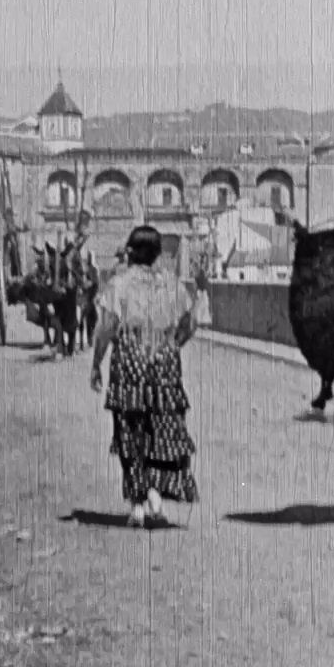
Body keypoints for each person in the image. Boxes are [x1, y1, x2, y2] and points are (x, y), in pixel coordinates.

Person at [90, 225, 199, 528]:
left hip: (129, 363)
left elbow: (108, 326)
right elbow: (190, 323)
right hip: (165, 365)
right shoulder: (173, 284)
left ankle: (138, 503)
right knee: (161, 431)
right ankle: (155, 494)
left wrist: (96, 363)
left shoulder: (118, 283)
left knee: (130, 431)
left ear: (131, 252)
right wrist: (172, 346)